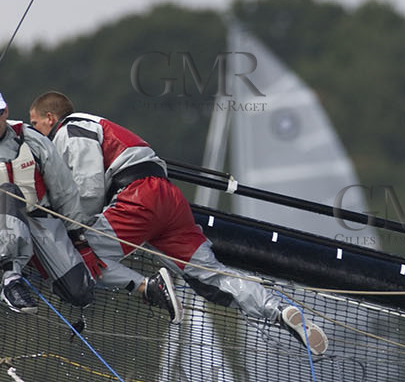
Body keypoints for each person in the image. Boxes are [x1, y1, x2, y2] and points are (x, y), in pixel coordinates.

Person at [28, 91, 327, 355]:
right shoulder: (100, 126)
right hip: (168, 199)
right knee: (211, 277)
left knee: (72, 261)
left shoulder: (72, 128)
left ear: (51, 117)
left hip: (138, 195)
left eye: (36, 124)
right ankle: (279, 310)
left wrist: (77, 230)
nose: (35, 132)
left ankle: (148, 286)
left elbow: (89, 186)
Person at [0, 84, 94, 313]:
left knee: (80, 293)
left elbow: (63, 187)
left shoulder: (30, 137)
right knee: (8, 191)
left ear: (6, 110)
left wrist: (75, 230)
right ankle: (12, 277)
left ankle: (33, 267)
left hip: (39, 219)